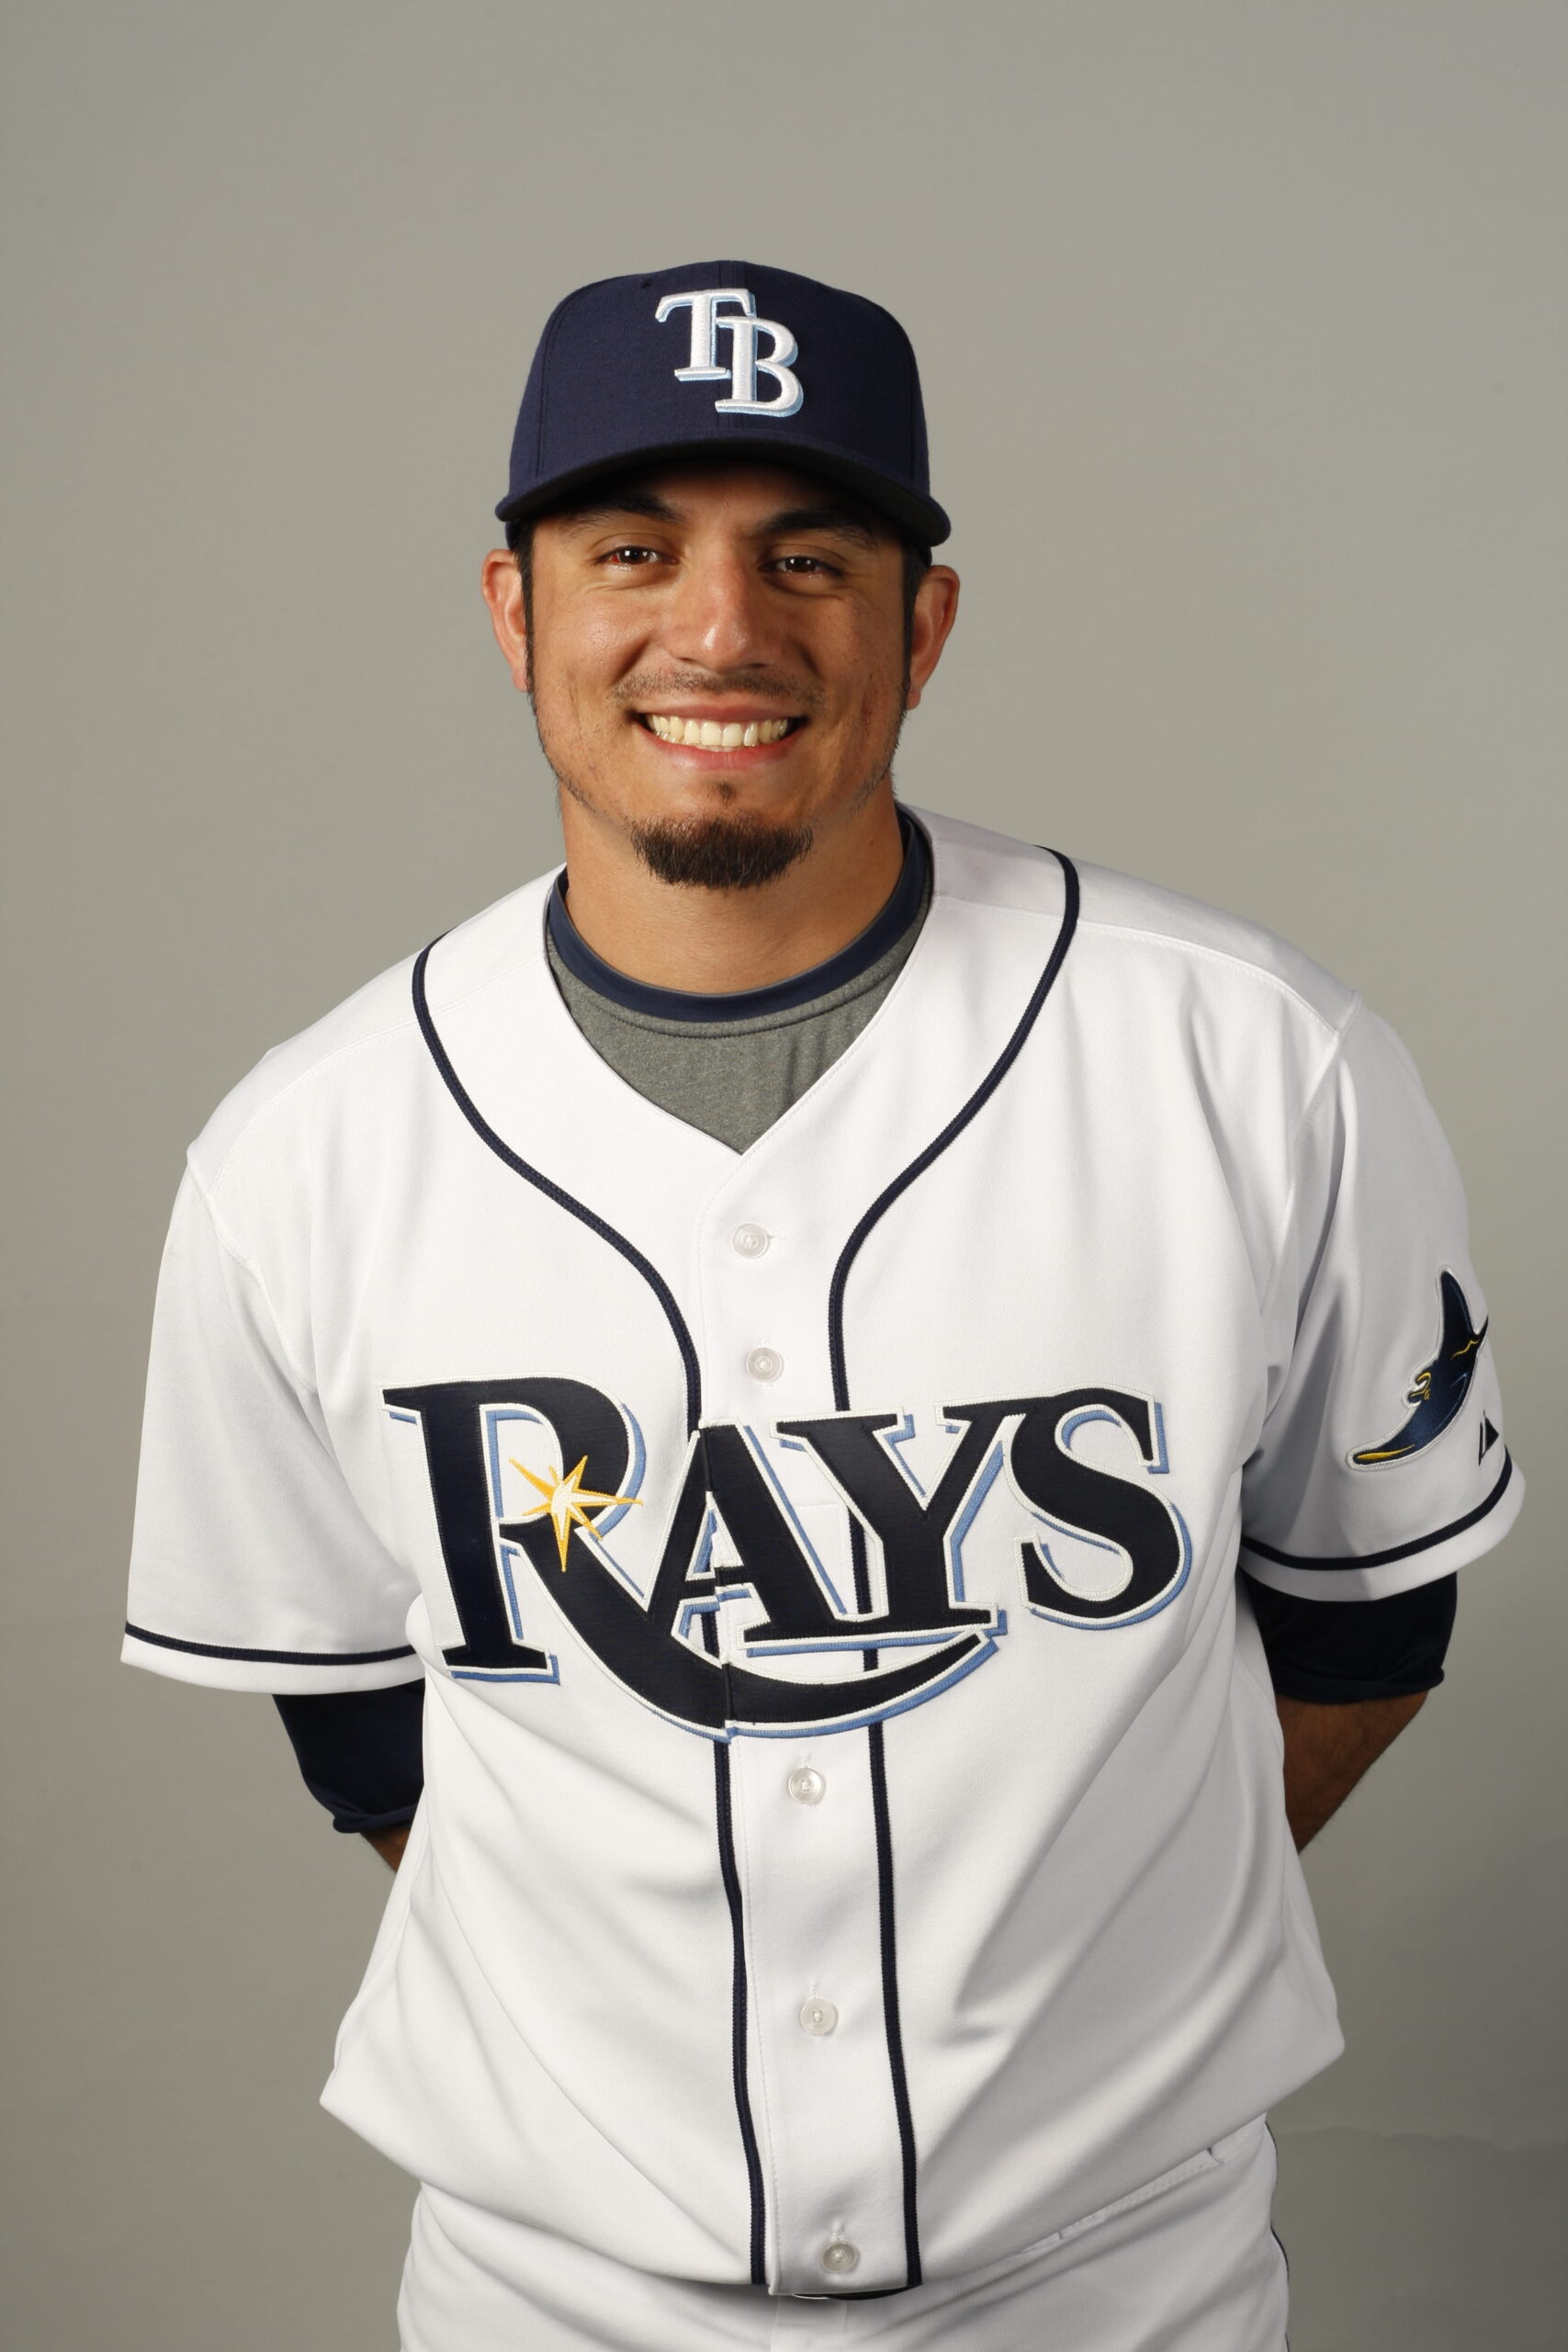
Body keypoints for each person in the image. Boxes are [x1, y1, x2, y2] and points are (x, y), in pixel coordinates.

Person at [123, 262, 1521, 2352]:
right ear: (514, 611)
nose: (720, 629)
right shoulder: (304, 1150)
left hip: (1119, 2286)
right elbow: (360, 1726)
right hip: (544, 2298)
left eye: (807, 556)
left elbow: (1366, 1622)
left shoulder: (1257, 1063)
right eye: (631, 550)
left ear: (918, 625)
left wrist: (1075, 1958)